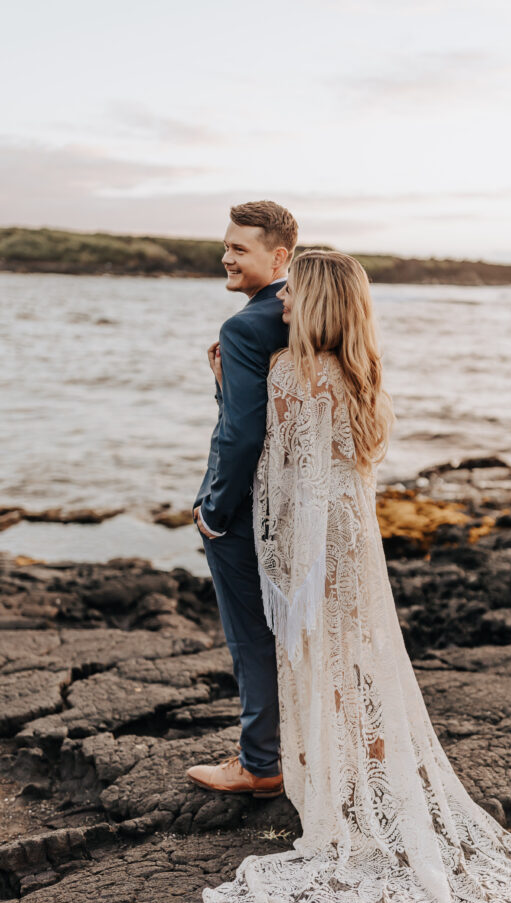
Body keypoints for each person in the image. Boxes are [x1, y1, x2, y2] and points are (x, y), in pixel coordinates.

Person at [184, 250, 511, 903]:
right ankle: (365, 793)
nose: (283, 307)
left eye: (294, 295)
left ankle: (336, 803)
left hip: (310, 545)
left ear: (318, 303)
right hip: (351, 540)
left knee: (315, 662)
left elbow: (266, 457)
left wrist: (220, 384)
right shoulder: (360, 374)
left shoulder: (291, 372)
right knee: (353, 659)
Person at [188, 200, 298, 796]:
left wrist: (214, 508)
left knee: (250, 634)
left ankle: (260, 763)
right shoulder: (312, 315)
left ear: (279, 256)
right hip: (298, 505)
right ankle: (300, 747)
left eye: (239, 248)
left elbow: (242, 432)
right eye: (225, 245)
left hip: (245, 507)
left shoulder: (245, 326)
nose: (225, 256)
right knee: (296, 628)